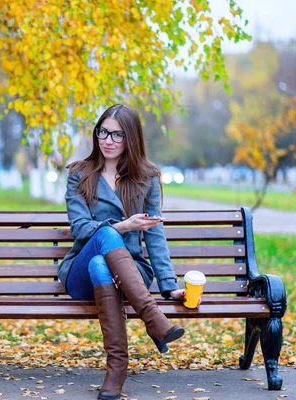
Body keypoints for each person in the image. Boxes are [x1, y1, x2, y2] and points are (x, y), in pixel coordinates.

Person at [58, 104, 197, 400]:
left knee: (101, 263)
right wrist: (122, 226)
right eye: (103, 132)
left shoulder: (146, 177)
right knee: (103, 239)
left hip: (130, 273)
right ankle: (154, 320)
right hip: (80, 275)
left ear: (131, 138)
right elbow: (81, 228)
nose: (108, 140)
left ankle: (117, 369)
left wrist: (169, 284)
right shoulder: (79, 174)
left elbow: (155, 233)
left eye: (117, 135)